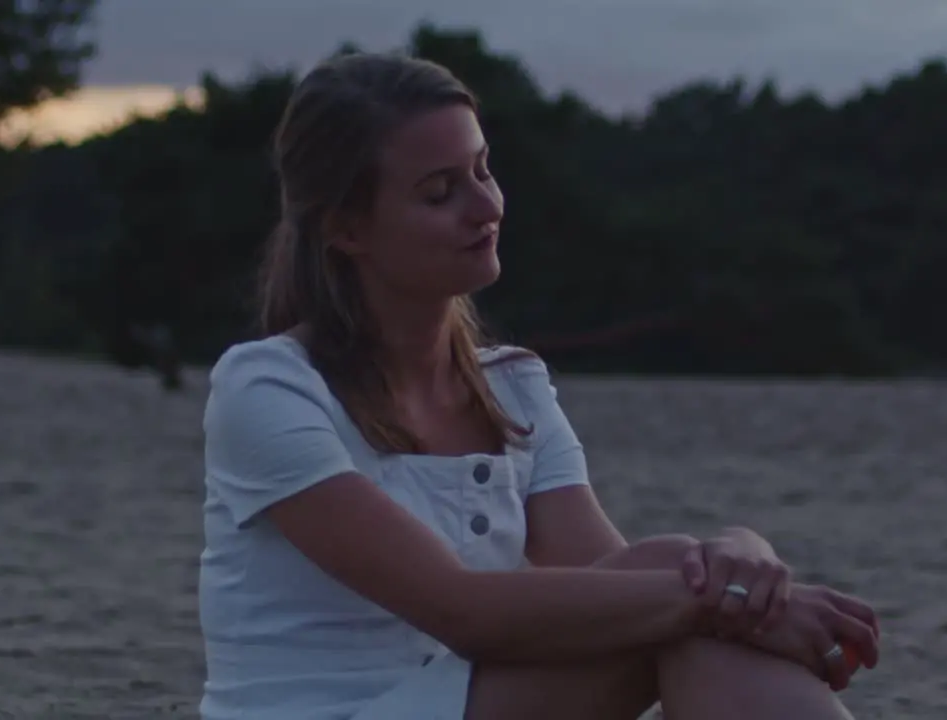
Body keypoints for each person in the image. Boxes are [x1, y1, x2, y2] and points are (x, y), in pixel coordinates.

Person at [198, 52, 881, 720]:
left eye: (483, 170)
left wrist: (744, 554)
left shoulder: (511, 386)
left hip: (469, 699)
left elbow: (617, 578)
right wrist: (737, 598)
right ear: (347, 229)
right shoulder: (270, 390)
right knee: (687, 594)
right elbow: (461, 611)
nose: (484, 205)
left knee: (683, 591)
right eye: (440, 192)